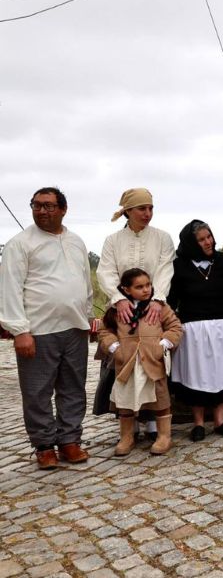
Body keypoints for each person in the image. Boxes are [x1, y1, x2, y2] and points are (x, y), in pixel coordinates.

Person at [0, 187, 94, 470]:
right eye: (37, 205)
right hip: (38, 331)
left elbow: (85, 283)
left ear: (63, 209)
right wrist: (20, 330)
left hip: (75, 328)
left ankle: (69, 441)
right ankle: (43, 446)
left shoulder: (76, 241)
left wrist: (87, 317)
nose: (42, 211)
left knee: (73, 388)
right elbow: (10, 288)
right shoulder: (21, 243)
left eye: (49, 206)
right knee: (37, 391)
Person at [97, 188, 175, 439]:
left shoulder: (162, 238)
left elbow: (165, 270)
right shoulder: (113, 241)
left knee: (153, 363)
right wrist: (119, 299)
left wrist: (158, 300)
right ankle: (128, 425)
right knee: (125, 365)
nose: (147, 213)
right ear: (128, 211)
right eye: (142, 208)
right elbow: (105, 272)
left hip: (153, 305)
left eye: (151, 208)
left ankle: (153, 421)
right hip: (122, 307)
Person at [168, 220, 223, 441]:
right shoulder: (180, 266)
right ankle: (198, 423)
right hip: (192, 330)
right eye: (202, 239)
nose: (208, 242)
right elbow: (172, 299)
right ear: (191, 243)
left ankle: (219, 419)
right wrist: (170, 325)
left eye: (209, 237)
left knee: (222, 372)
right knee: (196, 374)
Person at [98, 268, 182, 456]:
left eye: (148, 285)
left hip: (153, 360)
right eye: (139, 287)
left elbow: (175, 327)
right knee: (125, 399)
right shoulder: (115, 310)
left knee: (160, 398)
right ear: (126, 290)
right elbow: (104, 331)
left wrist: (163, 344)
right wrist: (114, 348)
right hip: (127, 361)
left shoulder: (160, 307)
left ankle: (164, 436)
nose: (146, 290)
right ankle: (127, 436)